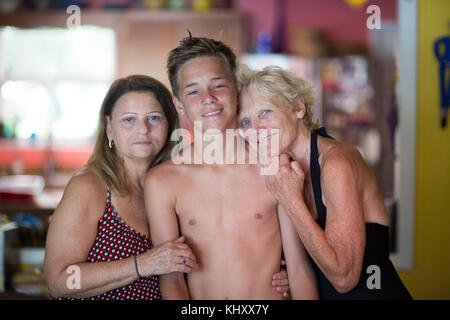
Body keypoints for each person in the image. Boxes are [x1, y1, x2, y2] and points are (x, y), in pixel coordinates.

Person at [44, 74, 289, 300]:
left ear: (169, 125)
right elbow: (59, 281)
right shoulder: (90, 185)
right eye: (129, 120)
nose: (143, 129)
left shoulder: (169, 182)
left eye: (154, 118)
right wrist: (144, 264)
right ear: (109, 128)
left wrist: (271, 270)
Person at [144, 36, 318, 299]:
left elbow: (298, 270)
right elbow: (172, 282)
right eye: (193, 91)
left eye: (218, 85)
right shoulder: (162, 181)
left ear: (236, 90)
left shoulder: (275, 167)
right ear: (178, 103)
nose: (209, 98)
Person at [236, 65, 412, 300]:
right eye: (245, 122)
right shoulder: (283, 172)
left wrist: (291, 201)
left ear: (298, 108)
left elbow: (344, 278)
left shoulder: (336, 162)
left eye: (265, 112)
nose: (255, 129)